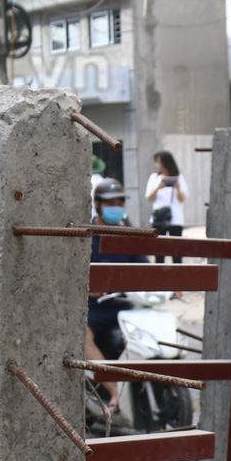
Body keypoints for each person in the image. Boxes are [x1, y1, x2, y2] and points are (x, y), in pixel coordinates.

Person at [87, 179, 149, 421]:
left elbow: (145, 270)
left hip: (126, 304)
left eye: (119, 202)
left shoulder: (128, 234)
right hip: (95, 308)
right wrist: (89, 289)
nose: (116, 207)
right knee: (83, 336)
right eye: (110, 203)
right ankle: (114, 395)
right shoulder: (86, 234)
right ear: (97, 205)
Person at [146, 152, 187, 268]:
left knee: (176, 251)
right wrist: (158, 188)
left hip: (176, 219)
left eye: (160, 162)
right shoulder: (154, 178)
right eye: (157, 162)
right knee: (159, 251)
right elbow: (149, 197)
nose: (158, 165)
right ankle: (159, 277)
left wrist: (178, 188)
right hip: (159, 218)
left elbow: (182, 199)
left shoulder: (179, 178)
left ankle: (178, 277)